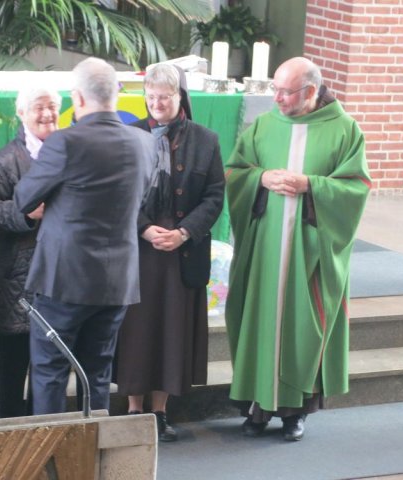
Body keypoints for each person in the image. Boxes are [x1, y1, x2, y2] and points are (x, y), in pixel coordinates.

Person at [225, 57, 371, 441]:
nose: (276, 99)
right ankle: (257, 408)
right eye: (274, 89)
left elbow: (356, 187)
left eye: (285, 92)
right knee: (261, 320)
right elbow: (236, 171)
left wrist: (311, 185)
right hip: (266, 252)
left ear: (309, 91)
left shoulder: (344, 130)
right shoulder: (264, 125)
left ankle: (295, 413)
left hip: (310, 252)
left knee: (302, 328)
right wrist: (260, 177)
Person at [14, 57, 154, 415]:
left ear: (77, 98)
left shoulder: (65, 142)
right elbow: (142, 196)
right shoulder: (143, 142)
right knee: (98, 374)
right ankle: (95, 459)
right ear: (117, 94)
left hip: (65, 279)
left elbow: (23, 200)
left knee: (50, 372)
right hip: (117, 281)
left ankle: (51, 464)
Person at [114, 64, 225, 441]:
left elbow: (214, 196)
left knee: (169, 331)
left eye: (165, 96)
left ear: (181, 98)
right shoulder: (128, 136)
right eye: (151, 96)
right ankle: (132, 410)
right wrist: (144, 227)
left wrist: (184, 233)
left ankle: (159, 413)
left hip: (181, 253)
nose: (157, 103)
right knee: (136, 332)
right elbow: (119, 193)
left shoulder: (205, 140)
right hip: (138, 252)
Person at [0, 86, 61, 418]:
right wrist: (23, 214)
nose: (47, 114)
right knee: (13, 364)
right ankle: (9, 434)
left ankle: (45, 433)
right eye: (39, 107)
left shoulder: (68, 153)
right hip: (16, 278)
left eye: (52, 106)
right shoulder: (4, 161)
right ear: (22, 113)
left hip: (58, 275)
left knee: (50, 369)